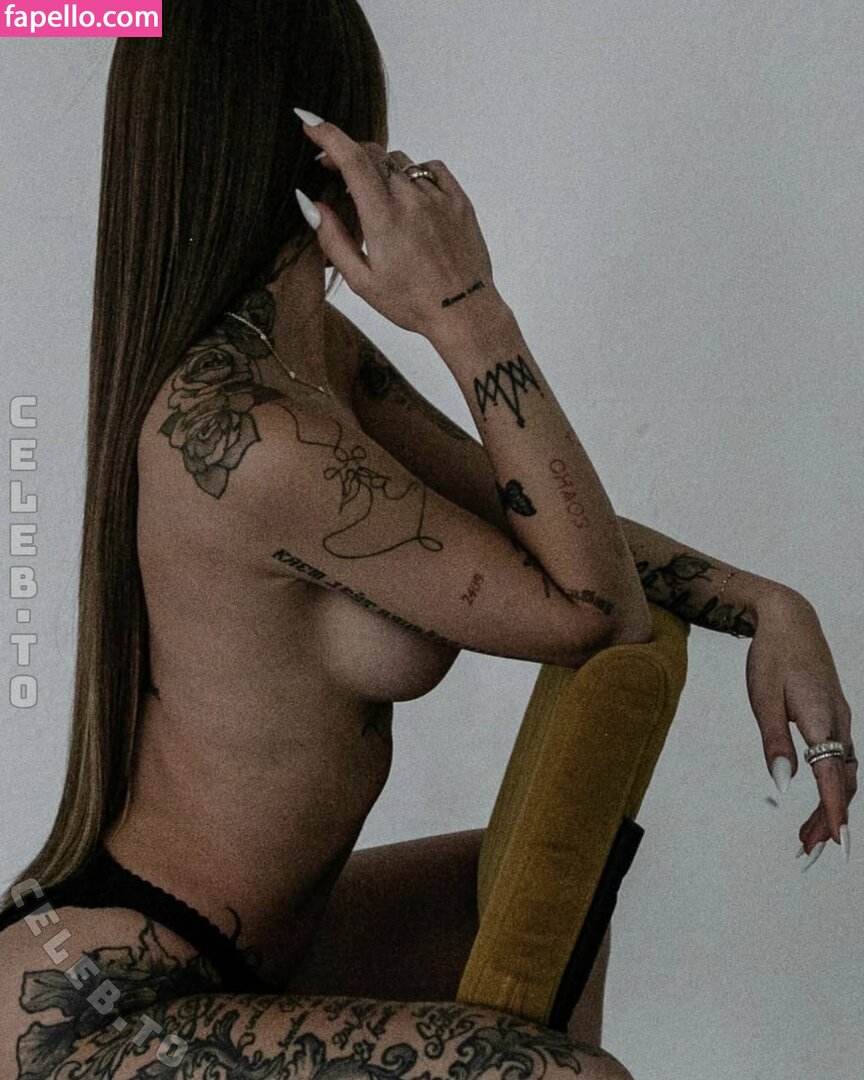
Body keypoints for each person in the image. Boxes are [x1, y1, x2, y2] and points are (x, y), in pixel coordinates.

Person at [0, 3, 855, 1077]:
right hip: (93, 1006)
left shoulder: (309, 361)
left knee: (561, 897)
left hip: (228, 958)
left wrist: (767, 603)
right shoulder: (249, 437)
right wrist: (463, 303)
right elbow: (593, 615)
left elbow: (530, 518)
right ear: (329, 146)